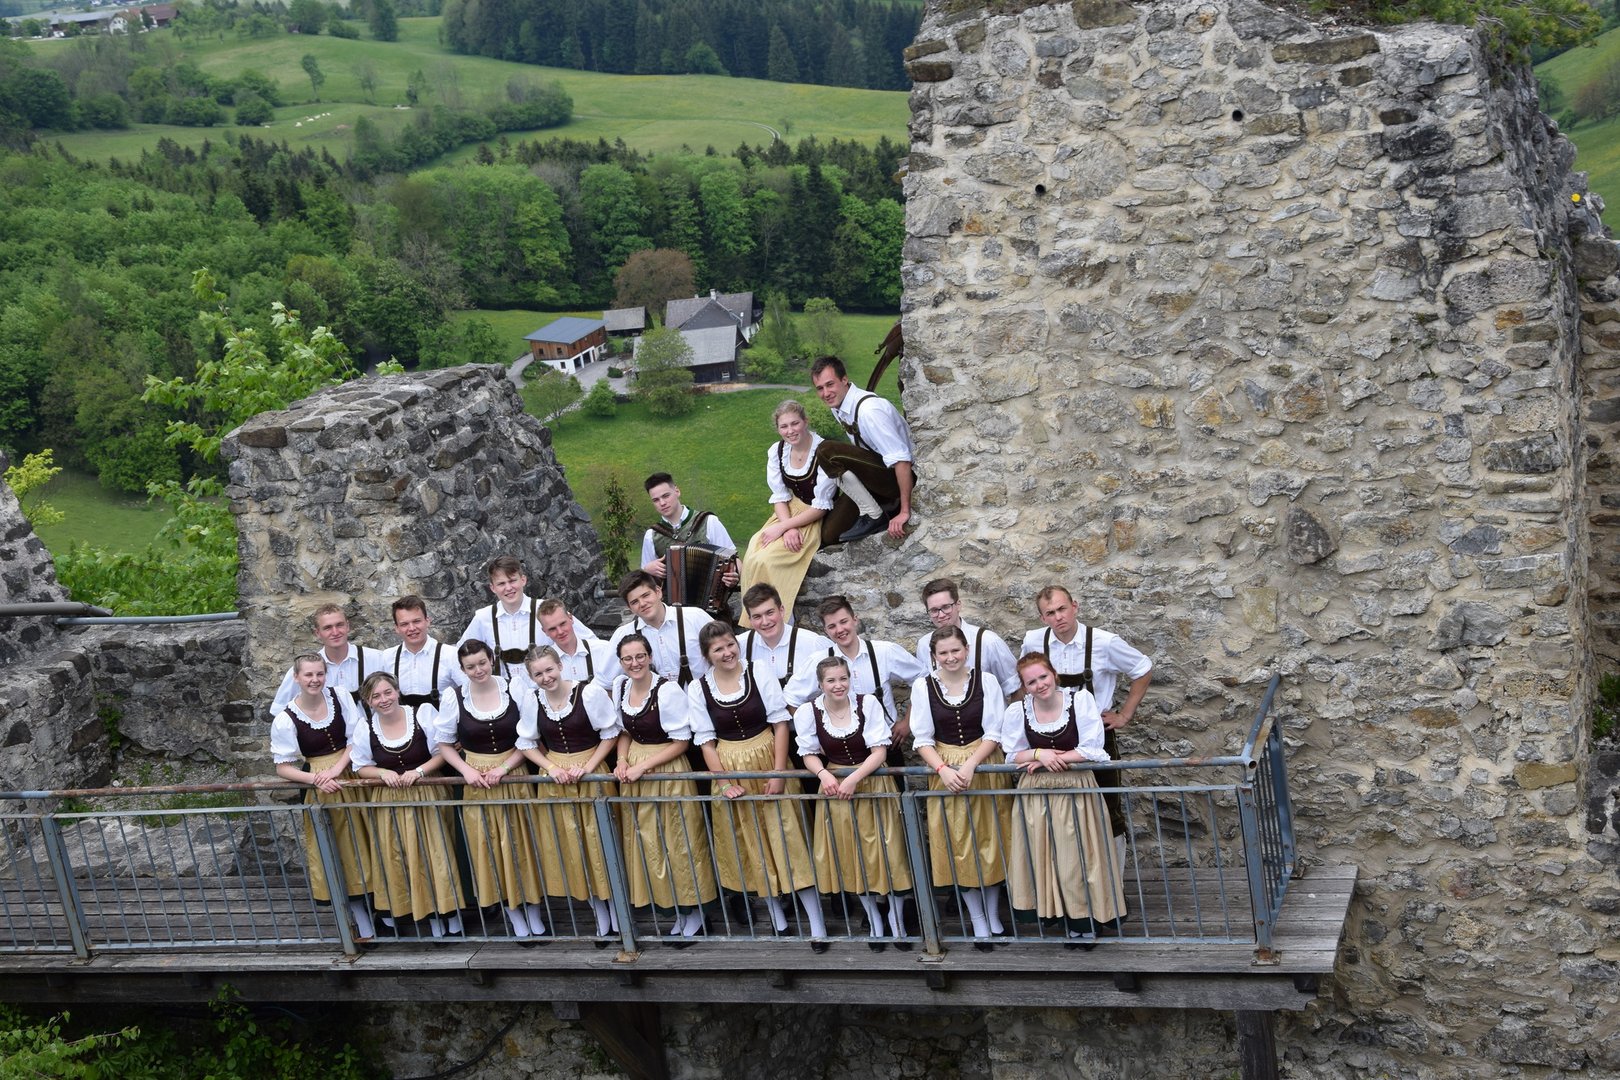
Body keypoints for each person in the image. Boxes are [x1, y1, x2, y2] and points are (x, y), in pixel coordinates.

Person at [687, 621, 828, 950]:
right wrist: (725, 784)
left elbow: (780, 724)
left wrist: (778, 773)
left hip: (768, 758)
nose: (727, 652)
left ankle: (816, 922)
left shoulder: (758, 671)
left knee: (789, 840)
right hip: (729, 768)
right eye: (718, 649)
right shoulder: (699, 688)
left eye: (730, 645)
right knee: (752, 845)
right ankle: (777, 918)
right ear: (707, 655)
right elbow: (706, 743)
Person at [999, 653, 1126, 948]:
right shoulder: (1018, 711)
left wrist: (1055, 759)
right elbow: (1012, 753)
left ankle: (1088, 921)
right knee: (1047, 858)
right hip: (1036, 793)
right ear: (1024, 686)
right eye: (1031, 682)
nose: (1040, 685)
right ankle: (1068, 922)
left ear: (1054, 674)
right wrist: (1038, 754)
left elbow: (1093, 748)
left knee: (1080, 859)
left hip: (1076, 787)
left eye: (1043, 677)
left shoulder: (1079, 701)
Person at [793, 655, 913, 950]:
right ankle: (874, 921)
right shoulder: (809, 712)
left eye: (843, 678)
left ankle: (896, 920)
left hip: (873, 785)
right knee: (851, 856)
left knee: (889, 854)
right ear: (820, 684)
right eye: (831, 680)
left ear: (850, 679)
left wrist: (853, 778)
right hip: (836, 789)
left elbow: (879, 752)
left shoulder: (867, 703)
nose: (838, 685)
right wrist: (824, 774)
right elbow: (808, 754)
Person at [1019, 585, 1153, 847]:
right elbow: (1026, 681)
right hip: (1049, 739)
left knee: (1107, 809)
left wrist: (1125, 715)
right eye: (1050, 613)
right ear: (1042, 618)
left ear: (1074, 607)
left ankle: (1110, 872)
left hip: (1096, 737)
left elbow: (1143, 668)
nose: (1058, 617)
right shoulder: (1033, 642)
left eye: (1062, 609)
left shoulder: (1105, 642)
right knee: (1055, 812)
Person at [434, 640, 548, 942]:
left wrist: (504, 768)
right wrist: (467, 770)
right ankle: (513, 915)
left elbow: (530, 737)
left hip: (514, 777)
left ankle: (534, 912)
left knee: (522, 845)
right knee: (489, 848)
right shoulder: (454, 697)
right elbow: (444, 744)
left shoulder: (514, 687)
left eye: (482, 663)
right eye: (470, 666)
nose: (478, 670)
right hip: (478, 783)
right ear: (462, 669)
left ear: (491, 660)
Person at [610, 632, 718, 945]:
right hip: (635, 772)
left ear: (650, 657)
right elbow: (624, 732)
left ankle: (696, 912)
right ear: (621, 662)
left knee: (679, 842)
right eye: (628, 658)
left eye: (640, 656)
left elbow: (681, 742)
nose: (634, 663)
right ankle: (676, 911)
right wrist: (621, 760)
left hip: (667, 772)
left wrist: (643, 766)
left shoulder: (667, 690)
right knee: (650, 843)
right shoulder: (621, 687)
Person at [909, 626, 1012, 949]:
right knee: (959, 845)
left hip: (984, 765)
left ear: (967, 649)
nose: (950, 657)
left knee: (991, 842)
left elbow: (994, 731)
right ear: (934, 656)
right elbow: (922, 739)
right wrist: (943, 770)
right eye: (943, 653)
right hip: (944, 770)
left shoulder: (987, 681)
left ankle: (993, 916)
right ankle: (978, 920)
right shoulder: (923, 687)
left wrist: (970, 765)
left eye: (956, 650)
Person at [269, 653, 376, 942]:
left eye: (319, 674)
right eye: (308, 675)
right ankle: (360, 919)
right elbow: (283, 767)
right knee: (339, 848)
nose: (315, 680)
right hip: (321, 787)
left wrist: (337, 771)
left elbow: (355, 738)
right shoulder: (286, 718)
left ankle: (385, 909)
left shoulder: (340, 696)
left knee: (368, 839)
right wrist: (317, 779)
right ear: (296, 678)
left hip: (351, 775)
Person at [520, 646, 622, 945]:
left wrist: (587, 767)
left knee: (602, 845)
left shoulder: (588, 693)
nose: (545, 677)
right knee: (572, 849)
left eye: (549, 670)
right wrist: (550, 767)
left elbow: (610, 733)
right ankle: (600, 915)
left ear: (560, 666)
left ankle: (618, 914)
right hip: (556, 782)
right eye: (538, 674)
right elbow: (526, 742)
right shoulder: (533, 700)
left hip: (592, 776)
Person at [350, 672, 465, 939]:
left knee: (437, 855)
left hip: (428, 794)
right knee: (401, 858)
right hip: (390, 801)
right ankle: (426, 918)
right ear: (368, 701)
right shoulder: (365, 727)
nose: (383, 699)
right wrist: (382, 773)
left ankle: (451, 916)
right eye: (375, 696)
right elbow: (360, 766)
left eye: (387, 692)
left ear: (397, 691)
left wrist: (419, 771)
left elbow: (442, 751)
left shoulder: (422, 714)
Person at [784, 596, 926, 761]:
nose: (839, 629)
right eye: (832, 626)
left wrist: (908, 722)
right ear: (826, 631)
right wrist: (814, 738)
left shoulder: (884, 652)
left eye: (843, 621)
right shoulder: (818, 661)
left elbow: (923, 679)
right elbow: (791, 698)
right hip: (838, 754)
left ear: (855, 619)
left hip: (885, 745)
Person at [737, 400, 838, 627]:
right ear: (778, 429)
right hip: (787, 513)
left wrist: (786, 528)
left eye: (795, 424)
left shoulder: (824, 451)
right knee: (753, 552)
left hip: (811, 517)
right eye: (784, 426)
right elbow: (780, 496)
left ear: (805, 422)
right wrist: (786, 526)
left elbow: (821, 506)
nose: (790, 431)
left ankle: (782, 619)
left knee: (768, 560)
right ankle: (757, 619)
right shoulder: (778, 451)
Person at [809, 356, 916, 543]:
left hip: (901, 478)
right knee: (830, 534)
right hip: (876, 476)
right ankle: (874, 510)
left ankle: (875, 515)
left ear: (844, 380)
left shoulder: (869, 411)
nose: (826, 393)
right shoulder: (839, 406)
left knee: (826, 451)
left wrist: (905, 511)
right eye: (820, 388)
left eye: (830, 384)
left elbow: (902, 460)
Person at [457, 555, 595, 690]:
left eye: (512, 581)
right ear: (492, 588)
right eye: (501, 584)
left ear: (523, 580)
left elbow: (589, 643)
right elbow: (459, 655)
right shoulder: (483, 618)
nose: (508, 588)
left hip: (546, 694)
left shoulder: (546, 610)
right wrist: (475, 690)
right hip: (504, 697)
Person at [639, 472, 739, 618]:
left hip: (711, 610)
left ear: (677, 491)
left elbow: (735, 561)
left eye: (666, 496)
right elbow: (643, 582)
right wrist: (647, 569)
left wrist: (734, 576)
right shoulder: (651, 536)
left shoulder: (708, 521)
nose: (662, 503)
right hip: (672, 613)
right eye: (656, 500)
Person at [602, 570, 712, 688]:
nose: (642, 603)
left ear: (658, 592)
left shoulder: (695, 618)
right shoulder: (623, 635)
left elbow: (726, 656)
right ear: (629, 608)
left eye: (646, 595)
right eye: (634, 602)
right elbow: (605, 683)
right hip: (656, 700)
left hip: (705, 698)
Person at [914, 578, 1021, 699]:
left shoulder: (988, 641)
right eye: (934, 610)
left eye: (946, 607)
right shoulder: (924, 644)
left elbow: (1015, 687)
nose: (941, 615)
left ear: (958, 605)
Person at [271, 603, 386, 714]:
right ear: (317, 633)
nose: (335, 632)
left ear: (347, 626)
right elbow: (279, 709)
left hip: (368, 727)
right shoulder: (304, 669)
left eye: (339, 625)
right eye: (327, 628)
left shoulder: (376, 659)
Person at [736, 584, 831, 691]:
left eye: (769, 613)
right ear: (750, 620)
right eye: (757, 617)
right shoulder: (739, 646)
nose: (765, 622)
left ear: (781, 611)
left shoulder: (813, 644)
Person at [387, 595, 464, 709]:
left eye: (416, 621)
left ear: (427, 621)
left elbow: (469, 693)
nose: (412, 628)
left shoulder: (450, 655)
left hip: (445, 720)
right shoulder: (387, 658)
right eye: (404, 624)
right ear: (397, 628)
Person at [538, 598, 609, 688]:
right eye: (552, 629)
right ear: (545, 631)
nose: (560, 632)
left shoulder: (603, 650)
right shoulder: (542, 664)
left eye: (562, 624)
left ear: (571, 618)